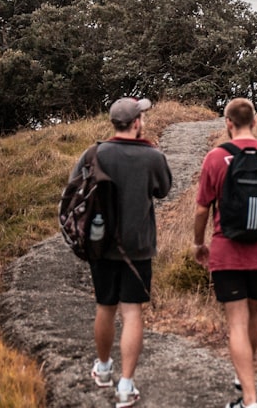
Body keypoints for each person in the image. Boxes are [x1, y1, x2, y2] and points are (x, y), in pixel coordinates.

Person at [193, 98, 257, 408]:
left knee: (235, 323)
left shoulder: (215, 157)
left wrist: (199, 243)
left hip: (227, 250)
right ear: (255, 122)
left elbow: (201, 209)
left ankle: (249, 400)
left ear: (228, 123)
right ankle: (244, 376)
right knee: (254, 316)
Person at [73, 97, 172, 408]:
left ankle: (103, 369)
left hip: (101, 245)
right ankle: (126, 387)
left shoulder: (94, 153)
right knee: (132, 313)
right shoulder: (151, 157)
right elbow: (164, 189)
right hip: (138, 248)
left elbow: (75, 188)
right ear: (136, 122)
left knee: (105, 307)